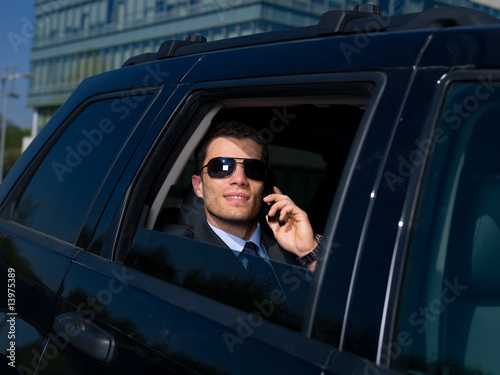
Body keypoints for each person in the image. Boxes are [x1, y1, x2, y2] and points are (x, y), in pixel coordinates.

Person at [190, 121, 320, 271]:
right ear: (198, 186)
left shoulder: (294, 250)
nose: (239, 180)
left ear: (265, 186)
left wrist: (308, 252)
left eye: (253, 169)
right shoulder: (174, 252)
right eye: (221, 167)